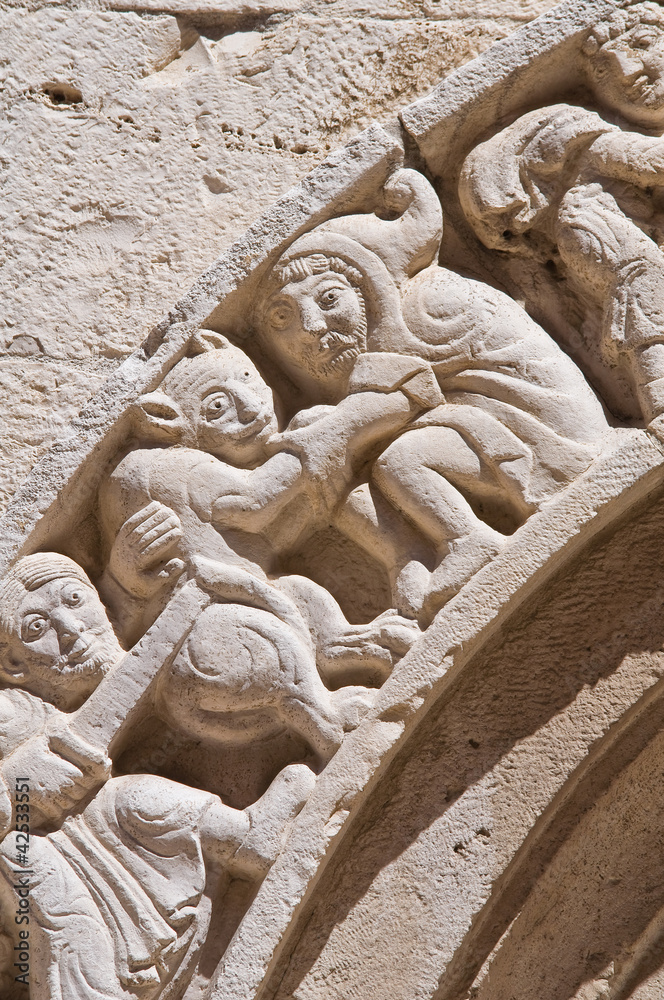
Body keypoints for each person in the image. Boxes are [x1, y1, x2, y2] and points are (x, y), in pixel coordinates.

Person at [254, 169, 610, 620]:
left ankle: (470, 541)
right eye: (283, 318)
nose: (311, 327)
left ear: (367, 290)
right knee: (336, 454)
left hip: (546, 439)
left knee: (395, 460)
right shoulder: (375, 346)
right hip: (478, 424)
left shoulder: (424, 302)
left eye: (328, 299)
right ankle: (406, 559)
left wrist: (327, 434)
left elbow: (408, 395)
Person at [0, 551, 315, 1000]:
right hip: (45, 860)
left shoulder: (82, 665)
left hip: (104, 835)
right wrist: (17, 788)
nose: (69, 630)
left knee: (132, 800)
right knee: (34, 863)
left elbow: (114, 664)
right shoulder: (11, 713)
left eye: (76, 598)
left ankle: (242, 835)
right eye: (36, 629)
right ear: (13, 667)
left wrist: (131, 585)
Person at [98, 332, 429, 758]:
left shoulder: (160, 469)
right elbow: (254, 502)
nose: (251, 407)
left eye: (250, 381)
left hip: (234, 607)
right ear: (172, 423)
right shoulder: (173, 465)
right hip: (214, 636)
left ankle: (344, 645)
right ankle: (324, 720)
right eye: (218, 408)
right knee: (271, 634)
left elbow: (277, 528)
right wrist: (328, 435)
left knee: (297, 591)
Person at [459, 1, 664, 427]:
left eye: (644, 44)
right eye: (605, 70)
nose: (630, 72)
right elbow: (652, 162)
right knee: (645, 285)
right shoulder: (592, 134)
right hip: (605, 239)